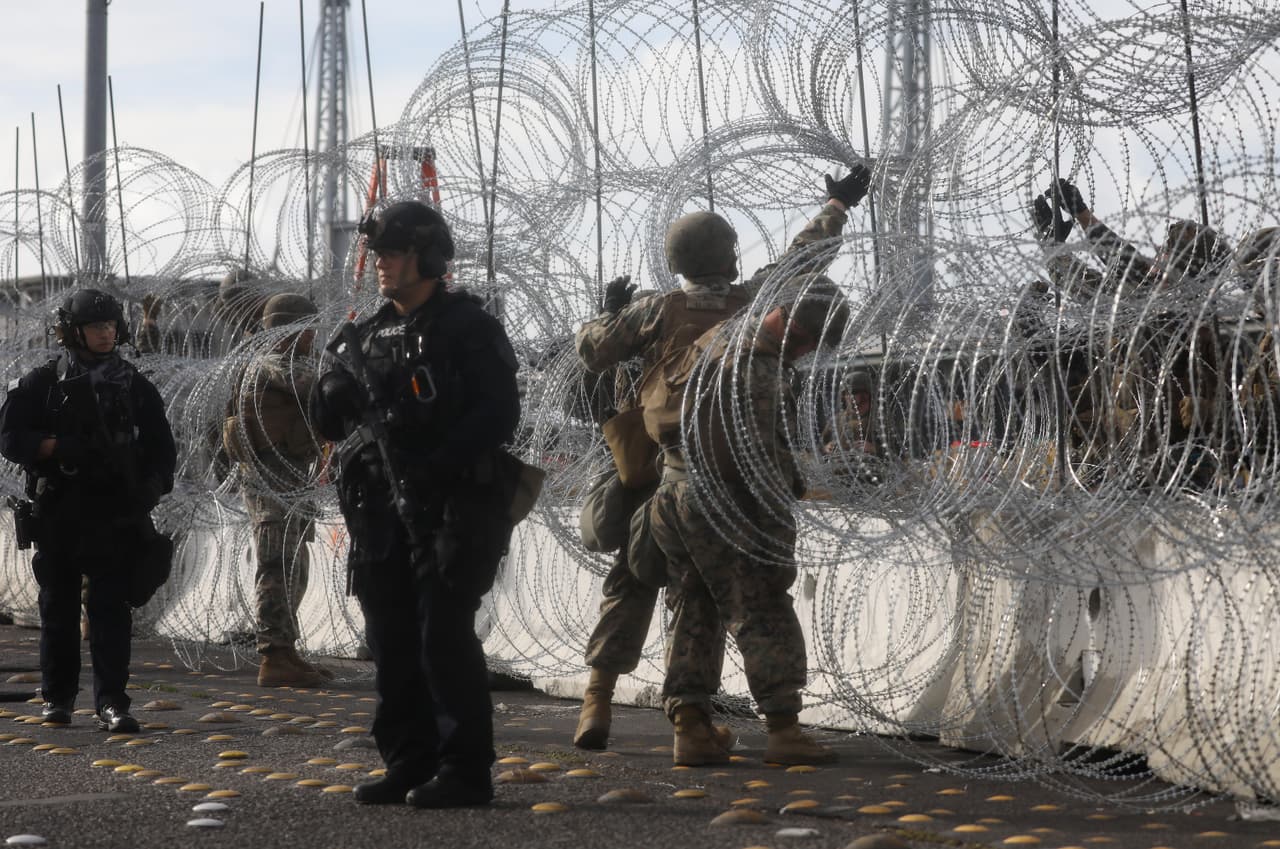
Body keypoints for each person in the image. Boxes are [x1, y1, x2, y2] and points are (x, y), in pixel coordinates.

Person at [572, 164, 871, 752]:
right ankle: (780, 727)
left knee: (643, 583)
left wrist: (607, 311)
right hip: (733, 479)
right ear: (731, 257)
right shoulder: (754, 305)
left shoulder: (655, 310)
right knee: (755, 597)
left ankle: (604, 704)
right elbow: (803, 257)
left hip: (662, 468)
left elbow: (592, 351)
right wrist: (836, 204)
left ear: (676, 259)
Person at [311, 200, 521, 808]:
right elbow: (331, 425)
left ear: (427, 257)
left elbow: (497, 413)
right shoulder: (369, 333)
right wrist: (330, 389)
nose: (382, 265)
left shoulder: (466, 327)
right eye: (378, 255)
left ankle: (465, 770)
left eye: (395, 254)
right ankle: (408, 760)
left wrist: (436, 468)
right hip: (381, 509)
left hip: (454, 503)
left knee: (443, 636)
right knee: (392, 636)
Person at [649, 275, 850, 766]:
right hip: (723, 500)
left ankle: (690, 730)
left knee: (694, 605)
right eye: (806, 342)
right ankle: (784, 730)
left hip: (674, 493)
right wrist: (780, 532)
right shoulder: (757, 368)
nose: (803, 354)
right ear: (793, 324)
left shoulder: (720, 335)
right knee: (761, 604)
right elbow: (761, 464)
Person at [0, 288, 176, 732]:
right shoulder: (45, 382)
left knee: (110, 611)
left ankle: (113, 702)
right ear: (72, 332)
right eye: (96, 326)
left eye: (111, 325)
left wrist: (150, 490)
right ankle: (57, 698)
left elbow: (162, 449)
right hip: (59, 509)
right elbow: (10, 438)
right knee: (57, 610)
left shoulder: (133, 385)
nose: (106, 333)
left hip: (113, 513)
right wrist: (59, 447)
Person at [223, 292, 331, 688]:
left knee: (293, 567)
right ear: (287, 330)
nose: (312, 339)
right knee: (276, 565)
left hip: (288, 479)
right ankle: (273, 654)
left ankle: (286, 651)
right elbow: (312, 386)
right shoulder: (269, 363)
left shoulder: (283, 363)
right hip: (271, 480)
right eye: (306, 331)